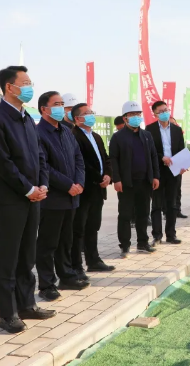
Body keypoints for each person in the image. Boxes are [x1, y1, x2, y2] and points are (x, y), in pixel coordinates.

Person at [0, 65, 55, 334]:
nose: (29, 87)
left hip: (33, 197)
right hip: (10, 200)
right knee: (8, 257)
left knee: (27, 255)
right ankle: (7, 313)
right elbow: (1, 162)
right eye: (25, 83)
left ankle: (26, 305)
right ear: (9, 87)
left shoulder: (27, 118)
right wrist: (27, 189)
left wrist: (43, 184)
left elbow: (40, 156)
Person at [36, 92, 89, 302]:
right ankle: (46, 284)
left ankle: (66, 276)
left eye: (61, 104)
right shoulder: (38, 133)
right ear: (44, 109)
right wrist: (68, 185)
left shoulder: (67, 131)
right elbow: (44, 166)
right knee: (48, 243)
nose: (60, 108)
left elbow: (78, 159)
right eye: (56, 104)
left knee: (66, 240)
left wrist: (79, 183)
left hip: (71, 197)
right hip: (53, 198)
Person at [70, 103, 116, 278]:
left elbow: (105, 159)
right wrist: (99, 177)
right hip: (84, 189)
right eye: (87, 113)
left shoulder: (96, 136)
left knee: (93, 226)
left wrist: (108, 175)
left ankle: (93, 260)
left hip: (98, 190)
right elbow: (81, 163)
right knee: (78, 229)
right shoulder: (74, 136)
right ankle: (76, 266)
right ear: (77, 118)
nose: (91, 115)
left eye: (91, 112)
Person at [109, 101, 159, 257]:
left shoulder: (147, 135)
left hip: (145, 182)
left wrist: (155, 176)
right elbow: (113, 159)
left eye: (138, 114)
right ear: (125, 118)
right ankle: (125, 245)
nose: (136, 117)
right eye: (132, 115)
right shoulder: (118, 137)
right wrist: (116, 179)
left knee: (143, 214)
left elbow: (153, 157)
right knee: (125, 215)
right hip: (126, 183)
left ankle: (142, 243)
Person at [146, 102, 186, 245]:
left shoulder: (176, 129)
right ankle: (157, 235)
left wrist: (183, 165)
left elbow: (181, 149)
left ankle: (171, 234)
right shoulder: (150, 129)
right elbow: (149, 150)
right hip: (158, 170)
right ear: (155, 114)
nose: (164, 113)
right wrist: (161, 157)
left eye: (166, 110)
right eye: (161, 111)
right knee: (156, 204)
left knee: (172, 204)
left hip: (174, 170)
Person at [170, 117, 187, 219]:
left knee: (177, 189)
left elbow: (182, 150)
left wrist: (184, 164)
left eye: (174, 123)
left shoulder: (178, 134)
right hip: (166, 166)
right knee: (167, 192)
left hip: (177, 166)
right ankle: (167, 211)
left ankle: (177, 210)